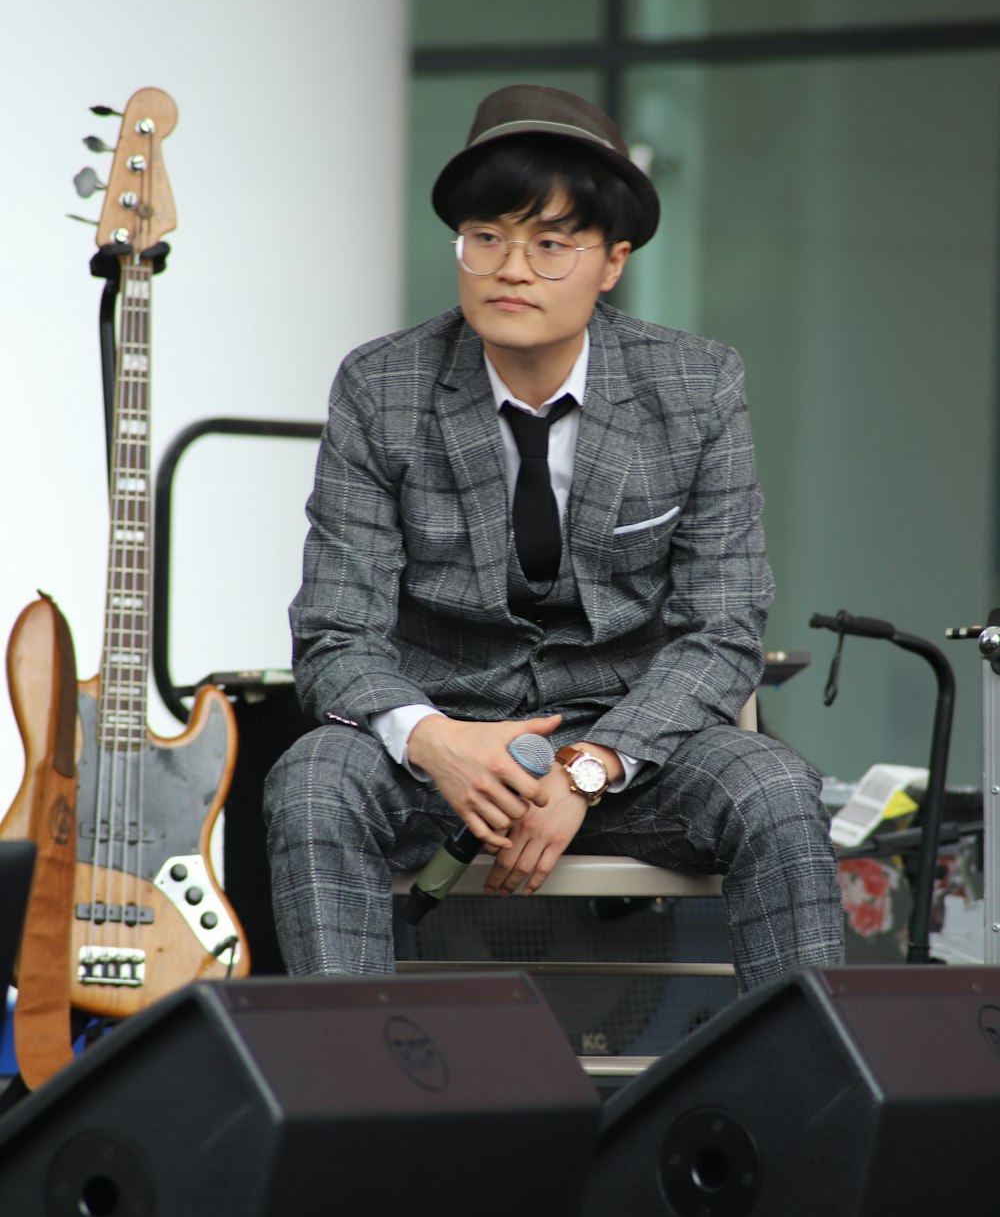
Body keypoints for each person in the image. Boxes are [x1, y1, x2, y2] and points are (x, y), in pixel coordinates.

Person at [263, 84, 844, 990]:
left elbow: (723, 628)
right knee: (310, 781)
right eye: (486, 237)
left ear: (612, 262)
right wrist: (434, 740)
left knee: (775, 789)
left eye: (550, 242)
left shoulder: (695, 386)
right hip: (441, 736)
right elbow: (334, 634)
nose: (512, 268)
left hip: (631, 742)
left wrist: (591, 766)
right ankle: (348, 1095)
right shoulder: (383, 386)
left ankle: (807, 1106)